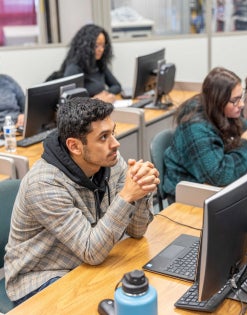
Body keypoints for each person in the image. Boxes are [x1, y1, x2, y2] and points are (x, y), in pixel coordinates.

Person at [4, 97, 159, 305]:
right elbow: (91, 251)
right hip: (41, 277)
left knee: (141, 291)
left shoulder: (110, 160)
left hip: (88, 262)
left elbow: (137, 231)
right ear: (75, 146)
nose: (115, 143)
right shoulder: (44, 184)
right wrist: (127, 195)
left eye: (112, 132)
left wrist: (141, 189)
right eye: (103, 137)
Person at [163, 67, 247, 200]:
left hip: (211, 186)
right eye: (235, 100)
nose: (242, 104)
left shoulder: (221, 111)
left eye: (241, 97)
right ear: (218, 101)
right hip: (188, 193)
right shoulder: (195, 128)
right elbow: (220, 176)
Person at [57, 24, 121, 103]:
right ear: (85, 46)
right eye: (96, 46)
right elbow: (70, 103)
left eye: (103, 46)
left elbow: (117, 86)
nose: (101, 50)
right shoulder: (73, 68)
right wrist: (96, 100)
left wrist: (105, 93)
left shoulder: (99, 64)